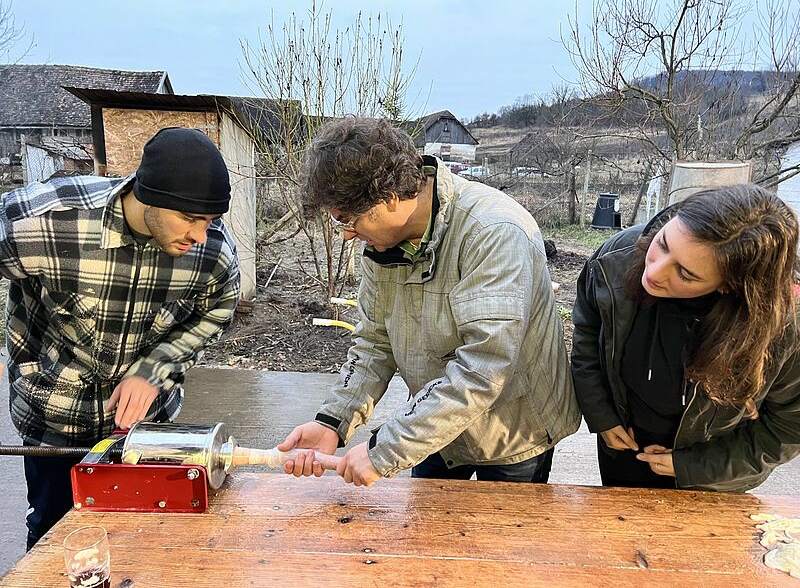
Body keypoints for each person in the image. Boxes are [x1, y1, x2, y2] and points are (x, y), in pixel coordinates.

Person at [279, 117, 580, 487]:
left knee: (499, 541)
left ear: (388, 197)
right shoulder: (380, 247)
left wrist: (385, 450)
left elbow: (483, 369)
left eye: (349, 220)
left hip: (513, 431)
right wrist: (333, 421)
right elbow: (375, 343)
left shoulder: (492, 232)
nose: (345, 235)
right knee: (428, 533)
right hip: (434, 426)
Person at [0, 127, 241, 548]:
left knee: (142, 540)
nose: (200, 236)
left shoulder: (211, 255)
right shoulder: (46, 220)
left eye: (209, 221)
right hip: (53, 421)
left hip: (144, 433)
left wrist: (154, 370)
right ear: (148, 194)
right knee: (54, 541)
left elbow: (217, 311)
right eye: (190, 218)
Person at [571, 184, 800, 491]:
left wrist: (693, 466)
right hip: (626, 448)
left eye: (686, 274)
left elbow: (787, 427)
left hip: (716, 475)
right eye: (663, 244)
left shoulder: (786, 325)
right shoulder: (615, 258)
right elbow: (588, 333)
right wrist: (601, 415)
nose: (654, 272)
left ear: (731, 287)